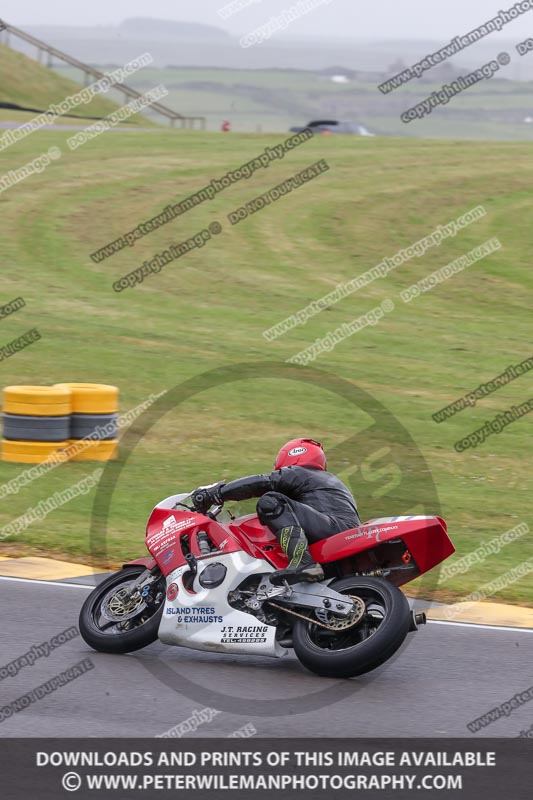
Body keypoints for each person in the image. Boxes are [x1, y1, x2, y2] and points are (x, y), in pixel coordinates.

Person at [192, 438, 361, 584]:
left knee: (270, 500)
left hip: (334, 530)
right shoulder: (327, 482)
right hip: (344, 537)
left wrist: (217, 494)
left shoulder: (300, 472)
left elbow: (263, 482)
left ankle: (303, 561)